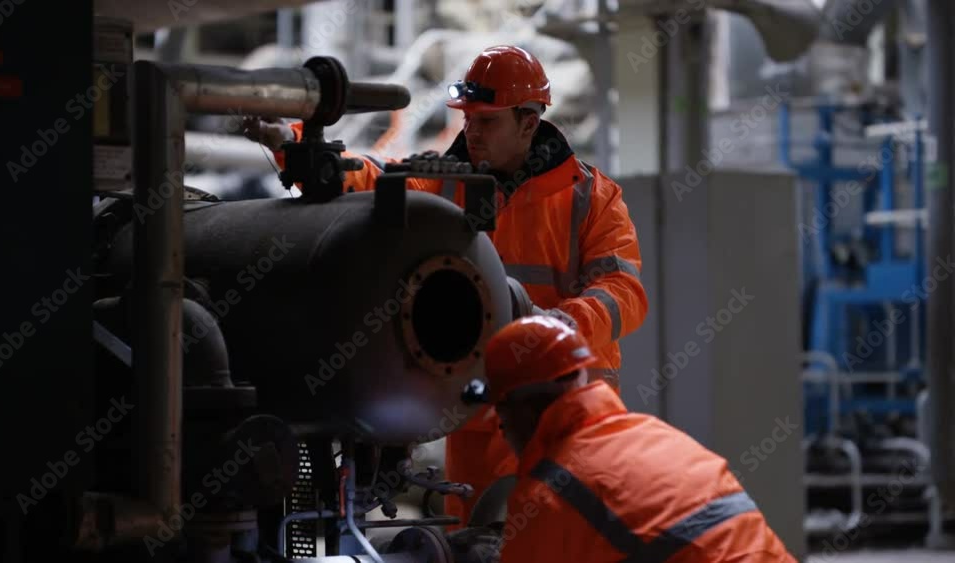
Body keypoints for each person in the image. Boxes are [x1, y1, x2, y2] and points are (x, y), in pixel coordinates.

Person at [244, 45, 649, 529]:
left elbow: (624, 291)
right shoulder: (446, 184)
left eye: (487, 121)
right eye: (468, 119)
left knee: (550, 541)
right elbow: (372, 183)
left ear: (528, 121)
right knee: (473, 541)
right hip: (475, 413)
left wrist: (564, 325)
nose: (471, 132)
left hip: (561, 410)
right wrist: (289, 143)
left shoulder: (592, 198)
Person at [472, 315, 796, 563]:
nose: (504, 434)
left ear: (523, 414)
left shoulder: (545, 498)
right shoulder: (650, 432)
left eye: (502, 422)